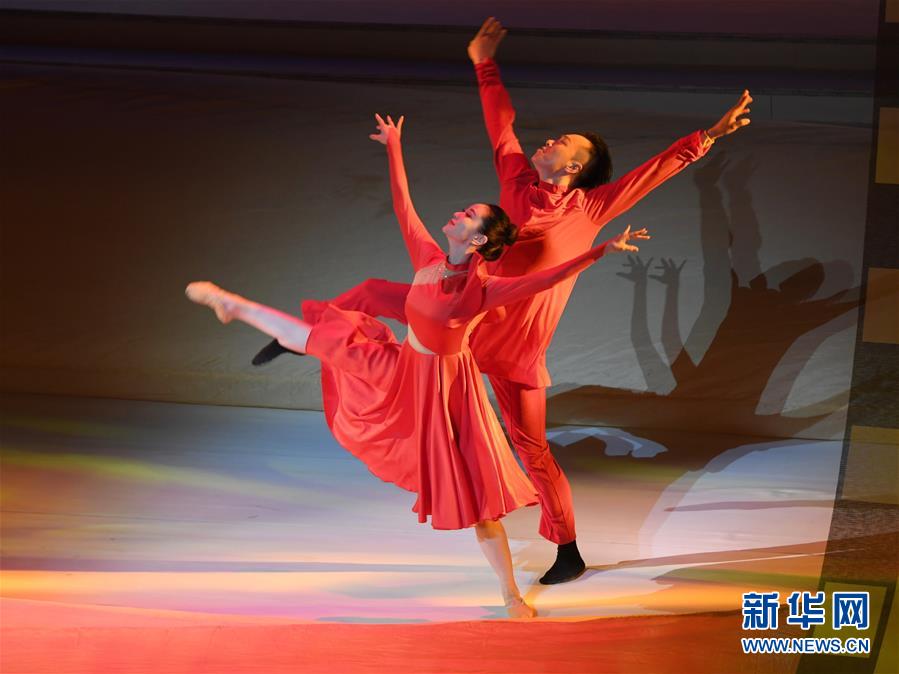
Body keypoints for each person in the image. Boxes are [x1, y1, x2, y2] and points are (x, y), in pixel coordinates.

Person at [251, 18, 752, 585]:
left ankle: (568, 548)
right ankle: (305, 337)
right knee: (369, 292)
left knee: (531, 447)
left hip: (515, 347)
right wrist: (483, 63)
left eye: (563, 143)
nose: (549, 141)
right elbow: (501, 126)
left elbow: (655, 171)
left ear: (575, 168)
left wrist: (711, 134)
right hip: (459, 319)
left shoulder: (590, 209)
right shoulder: (516, 181)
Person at [187, 114, 650, 618]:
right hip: (402, 366)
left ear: (478, 241)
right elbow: (403, 206)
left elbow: (544, 281)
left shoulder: (481, 289)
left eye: (468, 215)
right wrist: (394, 146)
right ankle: (234, 306)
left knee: (477, 502)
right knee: (323, 336)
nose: (457, 212)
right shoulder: (428, 261)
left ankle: (511, 596)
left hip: (446, 392)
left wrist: (599, 252)